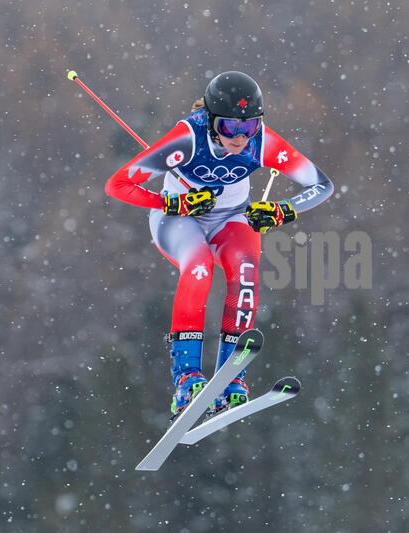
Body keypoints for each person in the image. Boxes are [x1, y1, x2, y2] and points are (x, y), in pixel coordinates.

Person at [104, 71, 333, 419]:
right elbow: (119, 185)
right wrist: (171, 203)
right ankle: (186, 379)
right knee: (199, 269)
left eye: (249, 127)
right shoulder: (187, 138)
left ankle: (231, 377)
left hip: (232, 218)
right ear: (211, 122)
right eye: (229, 128)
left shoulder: (262, 142)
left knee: (244, 273)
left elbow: (321, 185)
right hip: (180, 220)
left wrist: (282, 211)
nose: (240, 138)